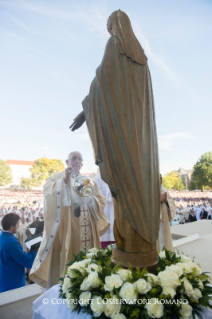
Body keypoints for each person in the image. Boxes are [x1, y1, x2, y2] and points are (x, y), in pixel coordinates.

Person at [70, 10, 160, 268]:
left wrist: (85, 111)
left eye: (109, 25)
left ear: (113, 27)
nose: (109, 31)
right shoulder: (142, 59)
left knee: (124, 187)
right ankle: (145, 246)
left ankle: (132, 250)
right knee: (139, 187)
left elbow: (101, 83)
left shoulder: (115, 45)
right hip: (141, 142)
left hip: (122, 138)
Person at [30, 151, 109, 288]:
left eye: (79, 159)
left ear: (82, 164)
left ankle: (90, 286)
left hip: (88, 227)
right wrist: (64, 182)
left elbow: (101, 199)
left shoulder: (88, 181)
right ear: (67, 162)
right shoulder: (57, 178)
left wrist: (91, 200)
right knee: (71, 258)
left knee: (89, 258)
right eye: (73, 158)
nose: (76, 161)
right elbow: (48, 193)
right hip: (69, 228)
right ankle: (69, 288)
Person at [0, 213, 37, 292]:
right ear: (12, 227)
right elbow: (25, 260)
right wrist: (36, 252)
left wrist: (20, 252)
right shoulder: (11, 241)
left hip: (4, 276)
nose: (18, 226)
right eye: (17, 224)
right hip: (12, 280)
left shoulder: (2, 236)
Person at [94, 173, 115, 248]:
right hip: (104, 208)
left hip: (116, 208)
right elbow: (96, 193)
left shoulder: (119, 174)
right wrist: (111, 192)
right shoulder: (99, 176)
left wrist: (106, 192)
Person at [157, 174, 175, 252]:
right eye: (158, 178)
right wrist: (159, 199)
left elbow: (173, 205)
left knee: (165, 240)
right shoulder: (149, 190)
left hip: (164, 221)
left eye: (161, 178)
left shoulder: (165, 190)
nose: (160, 180)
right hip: (154, 221)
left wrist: (166, 200)